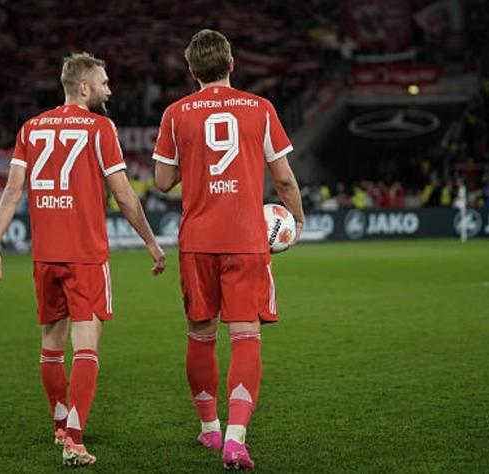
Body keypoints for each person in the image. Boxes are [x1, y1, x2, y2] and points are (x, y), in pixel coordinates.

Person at [0, 52, 166, 467]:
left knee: (51, 344)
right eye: (103, 83)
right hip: (85, 255)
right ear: (83, 88)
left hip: (45, 255)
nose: (109, 90)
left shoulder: (30, 127)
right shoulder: (100, 127)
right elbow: (124, 196)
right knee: (86, 345)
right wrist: (151, 242)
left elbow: (12, 192)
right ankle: (74, 442)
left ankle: (60, 425)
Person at [153, 30, 304, 470]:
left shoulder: (175, 113)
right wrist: (296, 221)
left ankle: (209, 429)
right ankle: (236, 439)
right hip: (245, 239)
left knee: (201, 336)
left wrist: (194, 162)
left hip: (198, 241)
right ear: (232, 64)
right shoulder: (260, 108)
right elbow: (284, 178)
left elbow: (162, 182)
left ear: (192, 70)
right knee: (245, 337)